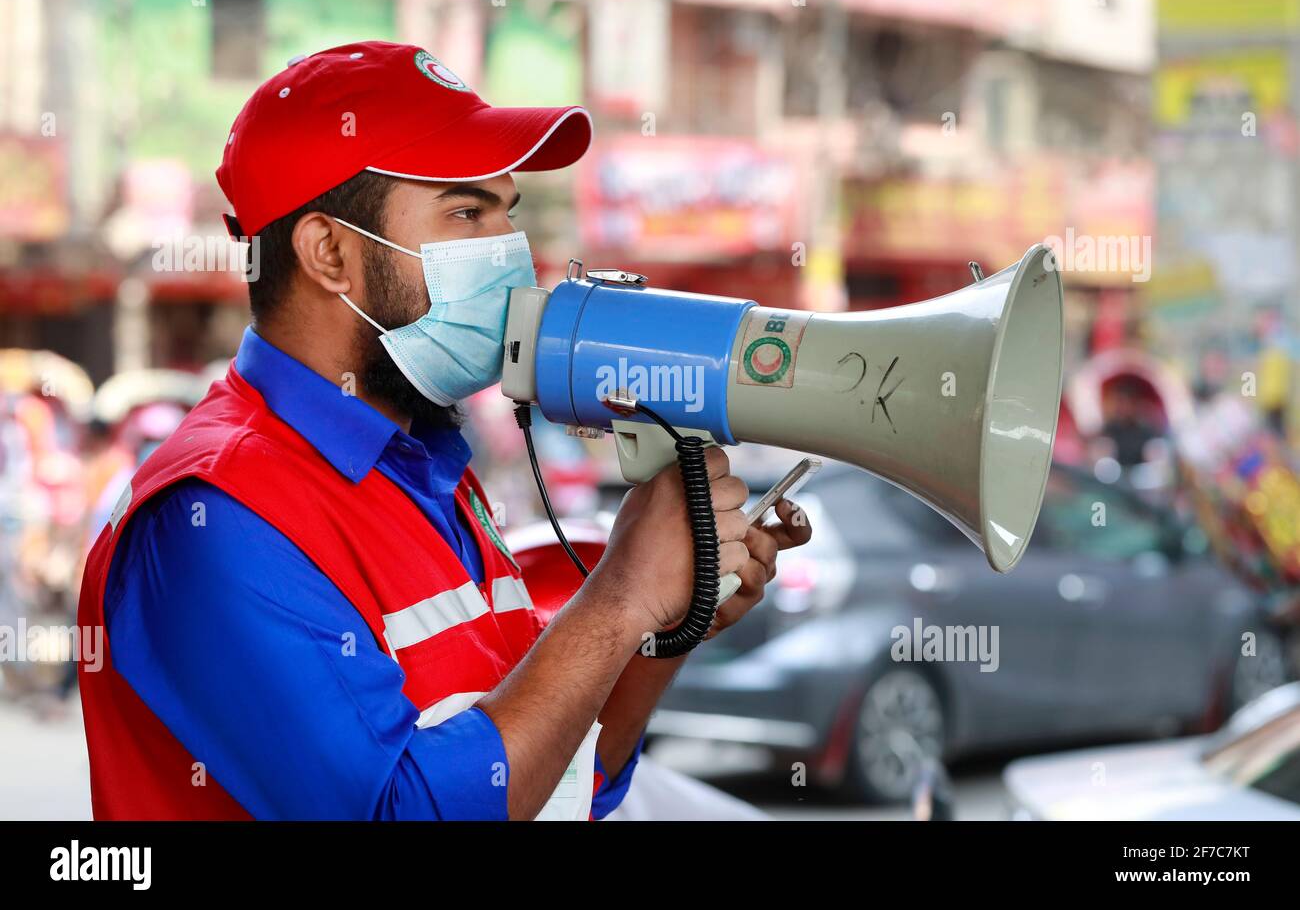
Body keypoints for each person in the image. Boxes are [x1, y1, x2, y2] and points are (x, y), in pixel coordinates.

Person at [77, 41, 811, 820]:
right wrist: (620, 598)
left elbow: (550, 784)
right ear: (330, 253)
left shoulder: (427, 465)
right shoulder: (215, 519)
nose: (512, 257)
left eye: (507, 214)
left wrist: (673, 616)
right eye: (466, 212)